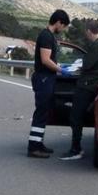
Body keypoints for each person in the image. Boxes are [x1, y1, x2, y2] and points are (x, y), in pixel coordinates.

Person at [60, 19, 98, 161]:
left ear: (89, 31)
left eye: (86, 32)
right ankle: (76, 147)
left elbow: (87, 64)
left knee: (76, 116)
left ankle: (75, 148)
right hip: (95, 84)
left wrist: (76, 68)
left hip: (88, 85)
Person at [27, 10, 71, 158]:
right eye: (63, 26)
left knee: (44, 113)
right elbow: (45, 60)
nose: (63, 29)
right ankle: (34, 147)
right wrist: (60, 70)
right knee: (41, 112)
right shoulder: (46, 36)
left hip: (46, 78)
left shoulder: (49, 36)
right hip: (44, 78)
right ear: (58, 22)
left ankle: (38, 143)